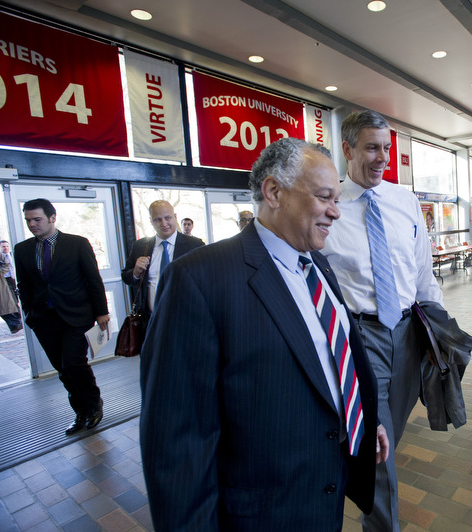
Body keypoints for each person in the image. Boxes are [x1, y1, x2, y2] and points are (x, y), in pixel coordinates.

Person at [140, 137, 389, 530]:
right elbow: (177, 441)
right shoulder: (199, 280)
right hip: (261, 515)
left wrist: (360, 416)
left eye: (337, 199)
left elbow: (331, 358)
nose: (335, 212)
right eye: (325, 197)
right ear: (274, 192)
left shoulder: (318, 266)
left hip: (323, 496)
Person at [322, 110, 445, 532]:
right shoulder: (330, 205)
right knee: (378, 447)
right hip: (361, 335)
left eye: (387, 148)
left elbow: (422, 270)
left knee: (388, 433)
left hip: (408, 331)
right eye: (372, 148)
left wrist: (438, 325)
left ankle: (362, 484)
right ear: (347, 149)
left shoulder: (404, 200)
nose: (382, 158)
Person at [14, 199, 109, 435]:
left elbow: (93, 280)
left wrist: (101, 312)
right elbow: (23, 284)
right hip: (44, 320)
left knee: (74, 363)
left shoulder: (76, 244)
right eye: (28, 220)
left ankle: (94, 403)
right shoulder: (23, 249)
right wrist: (29, 313)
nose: (32, 224)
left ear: (52, 218)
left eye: (37, 219)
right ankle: (80, 412)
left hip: (76, 316)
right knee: (62, 369)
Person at [121, 201, 204, 315]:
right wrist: (135, 272)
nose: (164, 223)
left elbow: (206, 279)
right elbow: (126, 277)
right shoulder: (140, 246)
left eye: (167, 218)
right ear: (151, 221)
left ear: (175, 217)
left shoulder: (194, 245)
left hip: (186, 317)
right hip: (150, 319)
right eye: (158, 219)